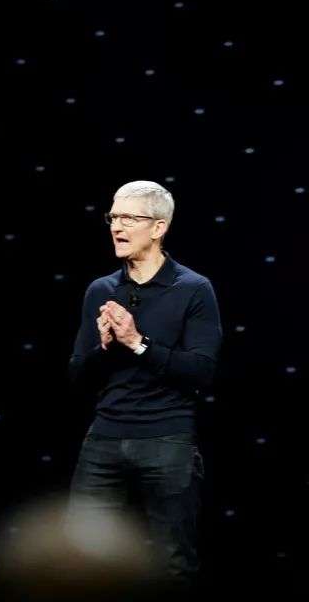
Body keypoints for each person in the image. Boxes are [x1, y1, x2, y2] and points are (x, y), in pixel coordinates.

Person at [63, 180, 223, 590]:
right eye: (113, 217)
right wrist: (103, 348)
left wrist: (137, 342)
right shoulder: (101, 290)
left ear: (158, 227)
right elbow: (78, 375)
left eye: (129, 218)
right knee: (78, 559)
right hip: (104, 438)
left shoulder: (193, 288)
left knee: (172, 561)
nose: (117, 227)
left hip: (166, 438)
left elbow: (201, 371)